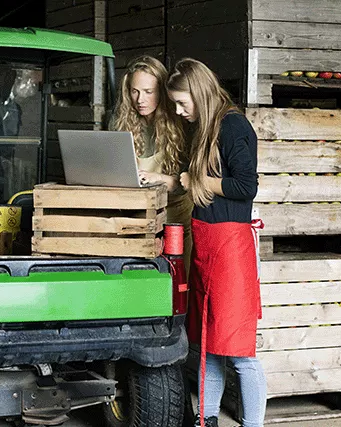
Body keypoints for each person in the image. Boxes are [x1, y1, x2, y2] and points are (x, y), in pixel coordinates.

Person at [167, 58, 266, 427]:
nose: (179, 111)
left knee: (239, 351)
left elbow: (245, 186)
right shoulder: (207, 127)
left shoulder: (233, 126)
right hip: (207, 246)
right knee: (208, 346)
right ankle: (205, 419)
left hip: (230, 248)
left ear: (201, 93)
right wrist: (168, 179)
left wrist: (200, 182)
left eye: (182, 102)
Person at [109, 55, 194, 272]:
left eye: (148, 92)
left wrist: (160, 179)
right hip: (140, 218)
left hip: (177, 220)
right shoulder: (120, 122)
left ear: (162, 92)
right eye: (134, 91)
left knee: (177, 283)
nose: (140, 99)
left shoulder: (182, 122)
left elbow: (190, 183)